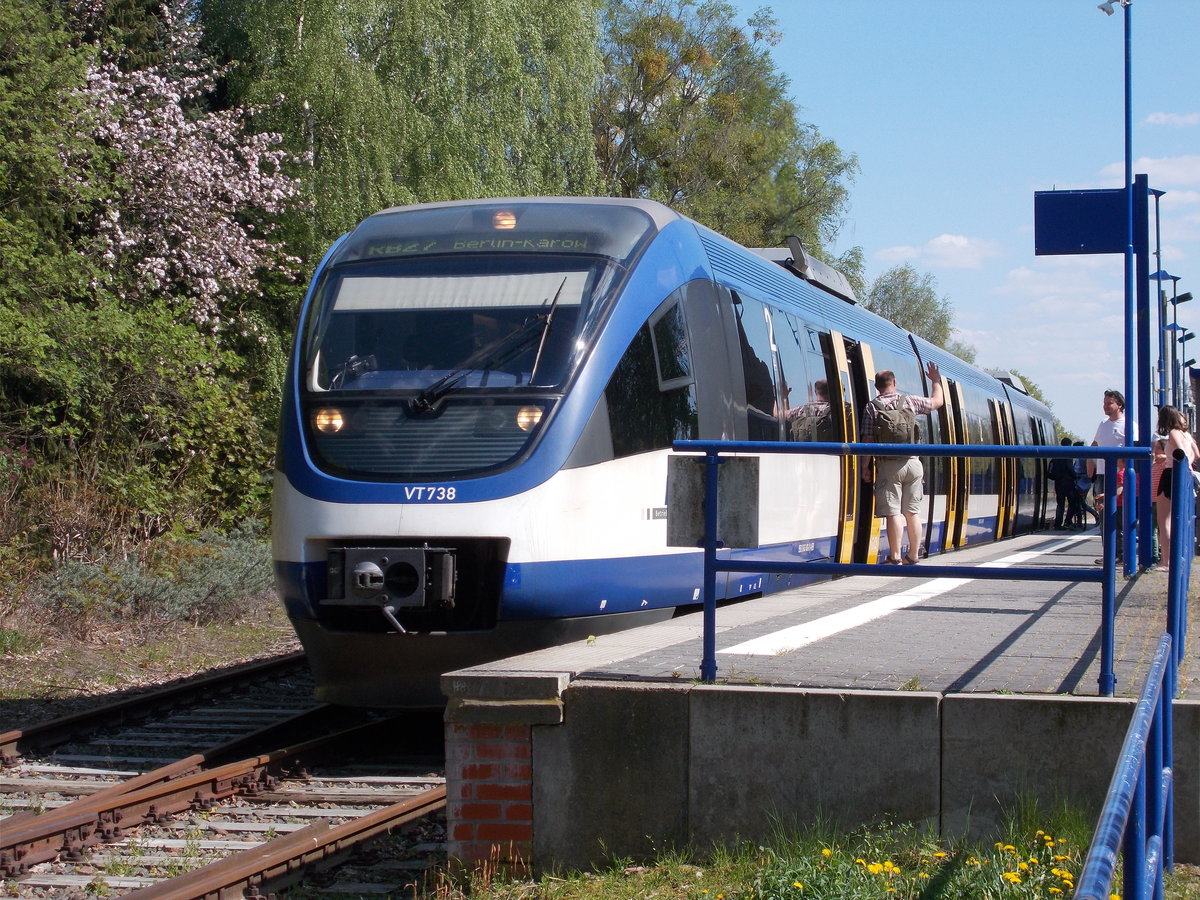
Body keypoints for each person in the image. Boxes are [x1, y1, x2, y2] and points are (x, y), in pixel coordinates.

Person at [860, 361, 944, 564]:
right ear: (894, 382)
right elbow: (936, 402)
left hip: (889, 465)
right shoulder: (910, 401)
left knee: (893, 512)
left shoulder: (872, 407)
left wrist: (865, 468)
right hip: (913, 462)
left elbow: (868, 440)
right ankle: (913, 555)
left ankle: (895, 556)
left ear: (876, 386)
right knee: (912, 512)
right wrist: (936, 380)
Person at [1150, 405, 1198, 573]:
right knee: (1179, 519)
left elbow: (1180, 451)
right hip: (1184, 474)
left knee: (1164, 521)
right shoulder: (1187, 435)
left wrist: (1170, 457)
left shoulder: (1173, 433)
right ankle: (1177, 557)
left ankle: (1166, 561)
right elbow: (1195, 455)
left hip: (1171, 473)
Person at [1088, 389, 1127, 558]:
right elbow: (1095, 444)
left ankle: (1120, 553)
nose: (1106, 406)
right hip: (1102, 475)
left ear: (1119, 405)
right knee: (1103, 514)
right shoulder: (1103, 424)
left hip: (1120, 476)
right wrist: (1089, 463)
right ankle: (1109, 554)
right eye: (1104, 403)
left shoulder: (1129, 425)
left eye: (1109, 403)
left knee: (1118, 515)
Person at [1047, 437, 1077, 530]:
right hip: (1068, 483)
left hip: (1058, 482)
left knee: (1060, 504)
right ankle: (1067, 521)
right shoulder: (1068, 453)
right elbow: (1069, 467)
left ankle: (1057, 524)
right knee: (1073, 503)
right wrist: (1076, 476)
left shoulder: (1057, 453)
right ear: (1069, 444)